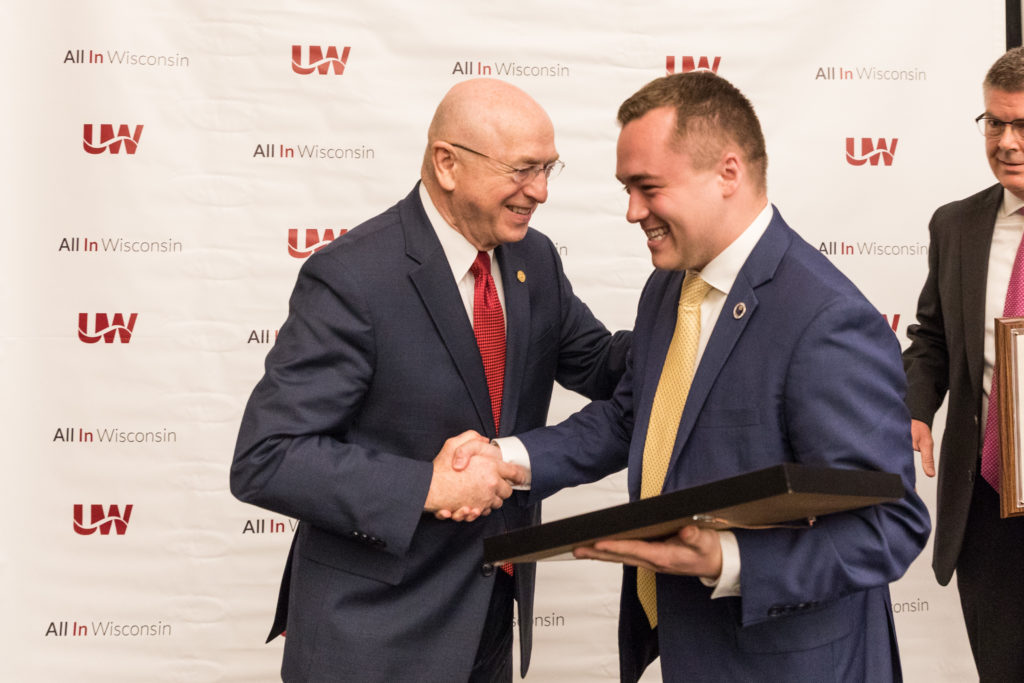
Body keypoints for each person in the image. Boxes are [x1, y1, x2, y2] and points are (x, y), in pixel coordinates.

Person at [453, 71, 930, 681]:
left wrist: (728, 557)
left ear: (728, 173)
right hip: (689, 651)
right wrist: (506, 459)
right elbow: (635, 418)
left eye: (648, 187)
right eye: (627, 188)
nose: (632, 212)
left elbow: (891, 524)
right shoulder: (669, 287)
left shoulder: (826, 321)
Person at [230, 78, 631, 682]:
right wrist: (428, 486)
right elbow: (267, 458)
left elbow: (604, 366)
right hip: (372, 637)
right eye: (523, 170)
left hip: (489, 621)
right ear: (447, 164)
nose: (541, 192)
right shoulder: (351, 277)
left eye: (549, 168)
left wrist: (689, 307)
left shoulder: (535, 260)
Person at [903, 46, 1024, 681]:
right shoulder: (956, 225)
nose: (1006, 142)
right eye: (994, 123)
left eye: (1023, 125)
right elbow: (932, 339)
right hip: (987, 499)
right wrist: (915, 408)